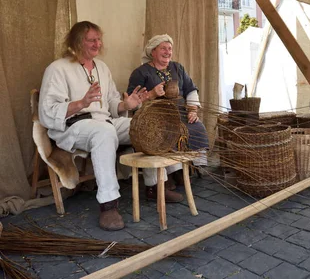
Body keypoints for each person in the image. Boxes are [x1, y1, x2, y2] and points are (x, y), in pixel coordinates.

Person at [39, 21, 183, 231]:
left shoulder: (102, 68)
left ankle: (154, 186)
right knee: (104, 132)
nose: (98, 44)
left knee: (141, 126)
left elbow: (113, 103)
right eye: (92, 40)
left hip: (104, 122)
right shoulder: (57, 69)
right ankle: (108, 204)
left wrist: (128, 104)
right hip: (73, 127)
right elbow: (47, 111)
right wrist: (81, 103)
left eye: (99, 39)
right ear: (78, 41)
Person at [127, 34, 209, 187]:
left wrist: (192, 110)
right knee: (167, 133)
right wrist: (151, 94)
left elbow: (191, 90)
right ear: (153, 52)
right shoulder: (141, 73)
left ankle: (193, 165)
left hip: (181, 114)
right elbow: (132, 102)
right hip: (155, 118)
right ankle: (173, 172)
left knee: (196, 126)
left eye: (169, 49)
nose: (167, 52)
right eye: (163, 48)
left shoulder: (177, 67)